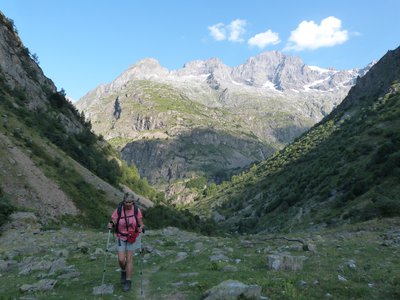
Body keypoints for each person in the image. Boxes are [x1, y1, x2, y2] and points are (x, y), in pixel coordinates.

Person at [108, 192, 145, 292]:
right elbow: (114, 220)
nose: (128, 204)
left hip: (132, 237)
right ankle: (123, 271)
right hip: (121, 236)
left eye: (130, 202)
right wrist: (111, 224)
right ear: (123, 202)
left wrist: (141, 227)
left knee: (129, 259)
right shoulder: (119, 210)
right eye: (126, 202)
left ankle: (128, 281)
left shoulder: (136, 210)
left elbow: (141, 223)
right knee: (121, 260)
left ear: (133, 202)